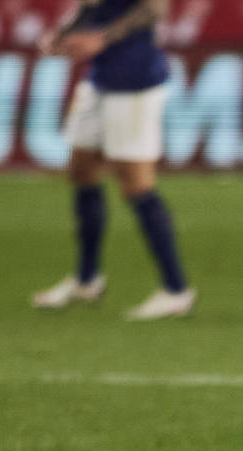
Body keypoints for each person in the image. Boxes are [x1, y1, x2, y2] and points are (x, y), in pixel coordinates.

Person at [31, 0, 198, 321]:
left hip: (134, 82)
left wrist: (102, 38)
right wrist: (62, 34)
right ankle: (86, 279)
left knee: (137, 185)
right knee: (82, 171)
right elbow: (91, 6)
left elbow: (156, 9)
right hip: (99, 78)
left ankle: (176, 290)